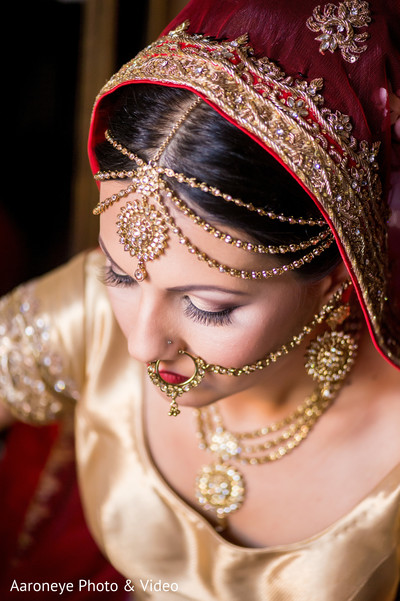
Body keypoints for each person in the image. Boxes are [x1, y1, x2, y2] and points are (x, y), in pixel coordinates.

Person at [1, 0, 399, 599]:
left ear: (337, 278)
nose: (139, 344)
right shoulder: (88, 313)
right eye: (121, 274)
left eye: (209, 307)